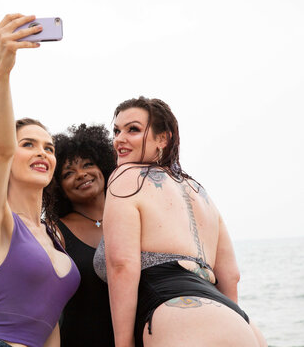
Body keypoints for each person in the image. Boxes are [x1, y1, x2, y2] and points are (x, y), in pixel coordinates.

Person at [93, 97, 267, 347]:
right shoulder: (199, 191)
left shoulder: (125, 176)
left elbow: (122, 265)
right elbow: (231, 275)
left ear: (163, 138)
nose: (119, 139)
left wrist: (123, 343)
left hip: (178, 315)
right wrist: (233, 320)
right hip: (239, 322)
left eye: (133, 129)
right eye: (116, 130)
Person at [0, 14, 80, 347]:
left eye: (48, 148)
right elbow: (1, 149)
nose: (42, 153)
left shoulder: (52, 233)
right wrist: (2, 71)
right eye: (29, 144)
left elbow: (51, 321)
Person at [43, 124, 116, 346]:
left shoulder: (135, 216)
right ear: (58, 187)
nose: (81, 174)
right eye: (68, 173)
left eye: (88, 164)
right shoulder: (54, 231)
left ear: (103, 167)